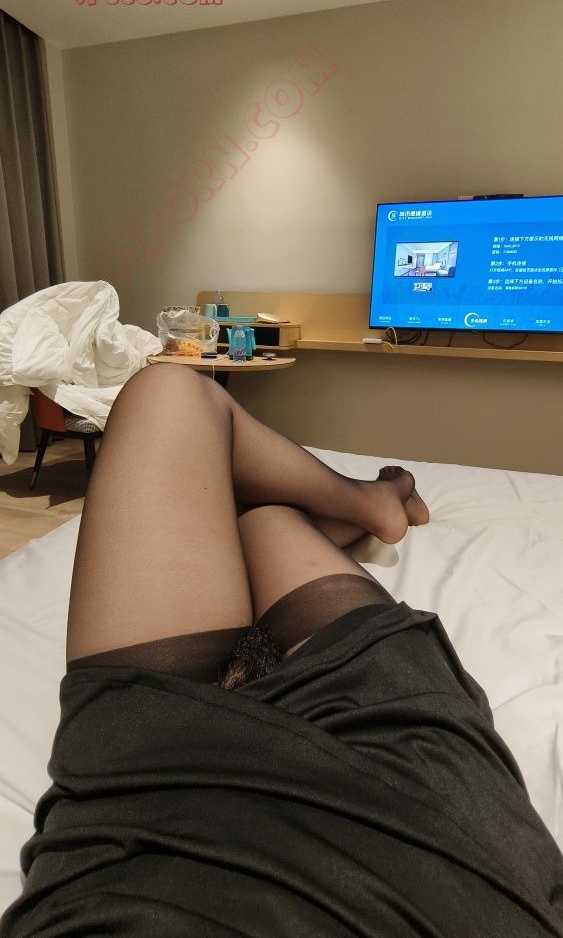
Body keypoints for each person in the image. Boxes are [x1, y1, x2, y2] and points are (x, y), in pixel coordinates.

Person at [1, 363, 562, 937]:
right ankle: (372, 503)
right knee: (260, 514)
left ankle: (369, 503)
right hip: (411, 809)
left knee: (174, 403)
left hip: (141, 795)